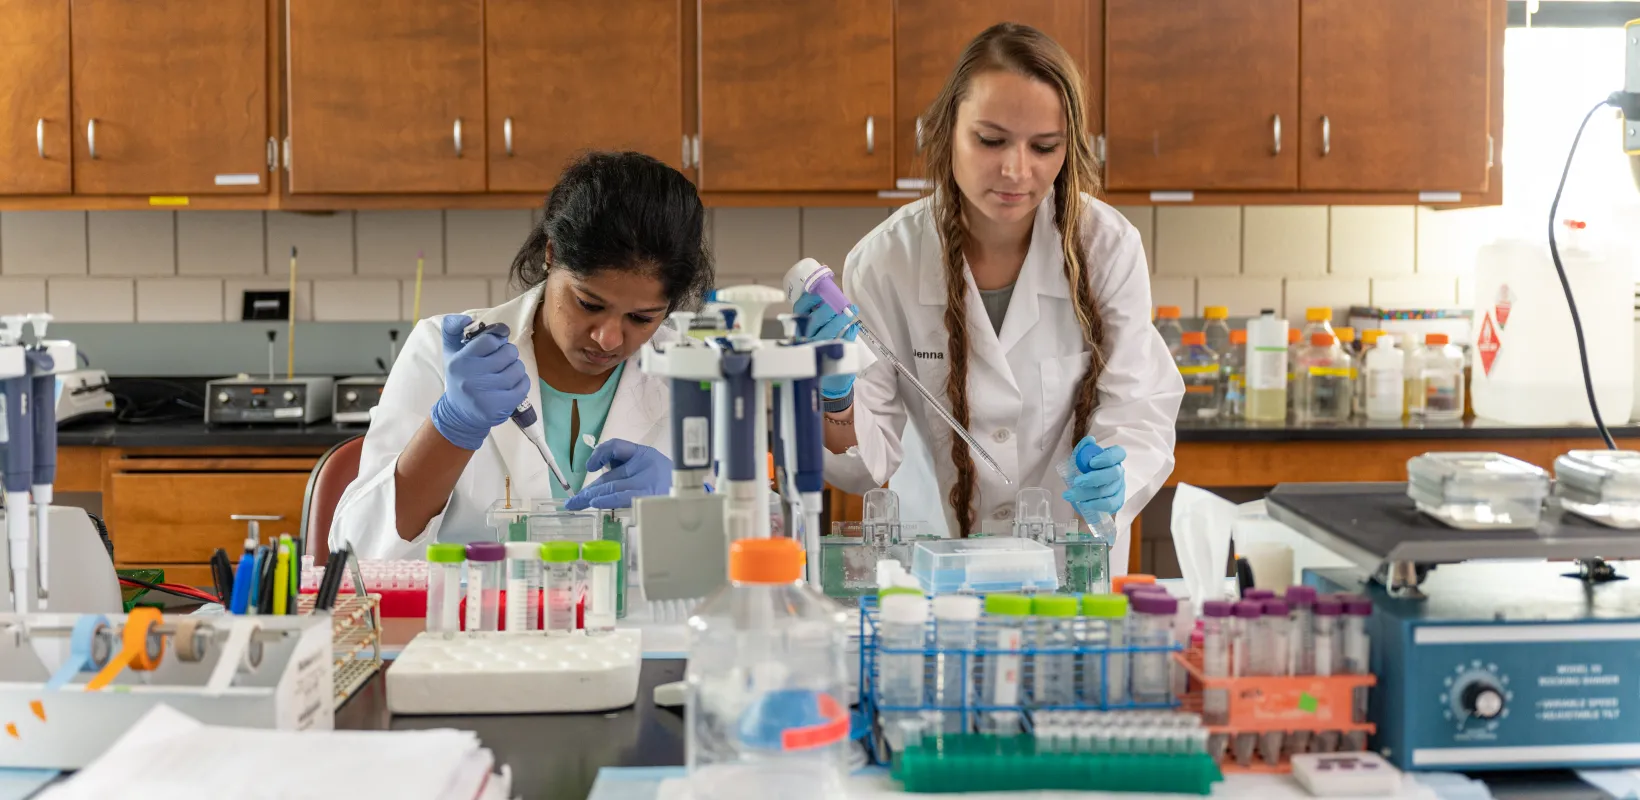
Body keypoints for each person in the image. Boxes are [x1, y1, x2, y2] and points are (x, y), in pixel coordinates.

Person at [800, 23, 1182, 572]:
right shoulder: (887, 261)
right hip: (933, 565)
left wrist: (1118, 473)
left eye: (1044, 147)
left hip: (1065, 565)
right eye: (990, 139)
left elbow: (1137, 406)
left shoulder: (1107, 248)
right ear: (945, 130)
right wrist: (835, 397)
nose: (1016, 170)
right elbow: (861, 465)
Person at [333, 151, 713, 559]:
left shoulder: (698, 373)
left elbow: (753, 550)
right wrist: (451, 430)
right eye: (588, 303)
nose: (607, 338)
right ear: (551, 254)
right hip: (470, 619)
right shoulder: (444, 355)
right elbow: (358, 552)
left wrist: (691, 501)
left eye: (641, 317)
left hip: (639, 620)